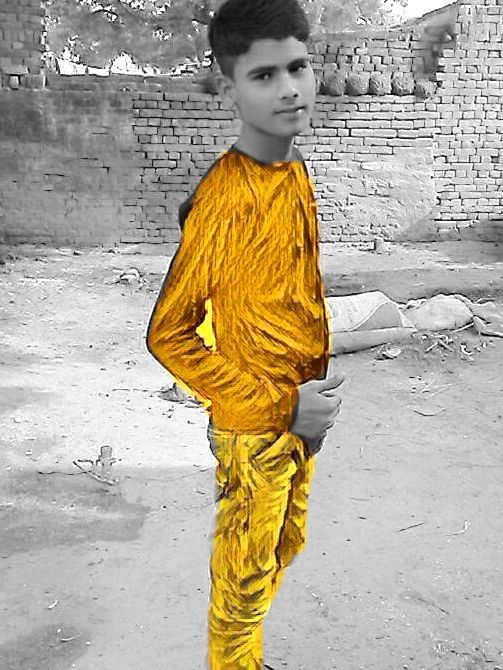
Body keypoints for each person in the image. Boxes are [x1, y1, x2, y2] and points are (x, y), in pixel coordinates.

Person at [146, 0, 344, 667]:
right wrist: (284, 406)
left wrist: (308, 396)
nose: (289, 88)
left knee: (284, 546)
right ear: (227, 87)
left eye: (298, 67)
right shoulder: (226, 197)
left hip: (300, 413)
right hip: (256, 422)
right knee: (244, 575)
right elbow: (169, 333)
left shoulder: (292, 170)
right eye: (264, 75)